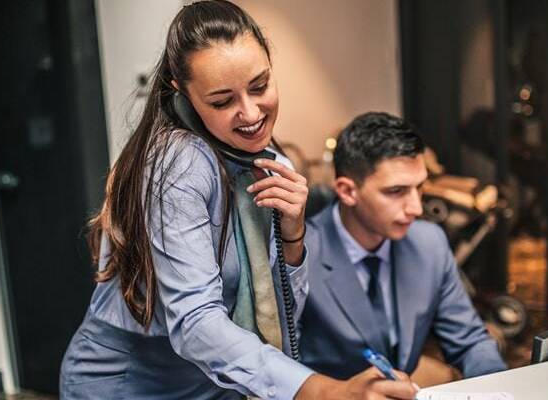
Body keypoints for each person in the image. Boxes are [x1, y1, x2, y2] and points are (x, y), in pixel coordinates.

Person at [59, 2, 417, 399]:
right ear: (182, 91)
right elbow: (196, 322)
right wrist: (321, 391)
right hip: (134, 385)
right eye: (221, 101)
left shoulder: (268, 160)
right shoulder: (178, 162)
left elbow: (282, 319)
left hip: (218, 382)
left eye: (260, 86)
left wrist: (293, 236)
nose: (250, 112)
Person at [299, 112, 507, 380]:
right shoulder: (299, 255)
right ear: (348, 191)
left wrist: (499, 386)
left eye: (419, 188)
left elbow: (468, 340)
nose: (416, 208)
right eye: (396, 192)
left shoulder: (428, 242)